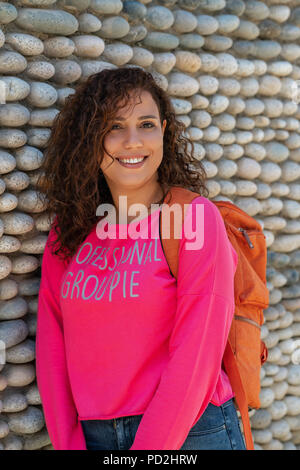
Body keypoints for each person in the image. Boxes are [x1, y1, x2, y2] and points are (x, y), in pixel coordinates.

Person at [36, 66, 246, 450]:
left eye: (146, 124)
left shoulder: (193, 219)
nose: (132, 141)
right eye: (114, 127)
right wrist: (69, 443)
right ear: (90, 138)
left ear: (164, 131)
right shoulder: (68, 232)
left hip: (192, 432)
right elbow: (51, 348)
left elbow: (197, 353)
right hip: (94, 437)